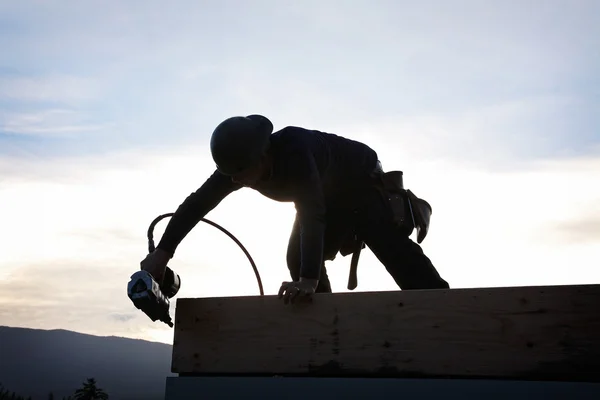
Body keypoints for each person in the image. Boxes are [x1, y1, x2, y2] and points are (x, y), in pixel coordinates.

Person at [140, 114, 449, 304]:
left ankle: (437, 300)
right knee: (297, 257)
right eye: (231, 174)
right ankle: (331, 325)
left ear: (262, 155)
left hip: (360, 180)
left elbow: (312, 213)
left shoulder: (295, 153)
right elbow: (197, 203)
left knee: (382, 237)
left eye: (241, 173)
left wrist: (308, 280)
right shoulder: (238, 165)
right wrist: (163, 252)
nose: (236, 180)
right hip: (327, 194)